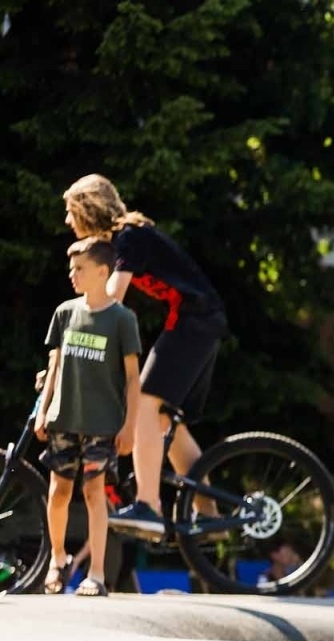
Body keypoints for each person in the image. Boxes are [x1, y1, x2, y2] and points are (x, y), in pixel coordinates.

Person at [61, 175, 228, 538]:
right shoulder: (125, 238)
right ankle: (209, 514)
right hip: (197, 320)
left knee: (144, 404)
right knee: (165, 420)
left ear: (88, 208)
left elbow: (113, 298)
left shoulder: (129, 236)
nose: (67, 221)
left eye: (71, 211)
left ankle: (149, 507)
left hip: (194, 319)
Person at [34, 239, 142, 597]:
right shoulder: (65, 312)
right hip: (64, 417)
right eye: (71, 268)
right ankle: (58, 558)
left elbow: (132, 377)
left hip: (103, 423)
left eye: (79, 268)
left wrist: (129, 425)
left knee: (95, 492)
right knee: (58, 491)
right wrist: (43, 409)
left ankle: (96, 573)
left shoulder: (122, 319)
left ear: (102, 271)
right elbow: (55, 364)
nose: (72, 274)